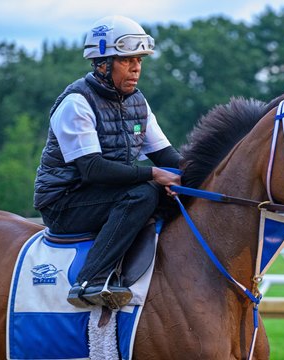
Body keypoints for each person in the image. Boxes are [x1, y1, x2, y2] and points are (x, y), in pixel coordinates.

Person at [34, 15, 182, 309]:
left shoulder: (138, 102)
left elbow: (167, 156)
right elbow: (93, 170)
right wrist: (154, 174)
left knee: (172, 197)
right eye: (128, 60)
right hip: (64, 203)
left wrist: (197, 176)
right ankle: (90, 280)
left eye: (139, 60)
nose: (137, 68)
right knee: (146, 191)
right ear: (102, 63)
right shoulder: (76, 103)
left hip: (107, 196)